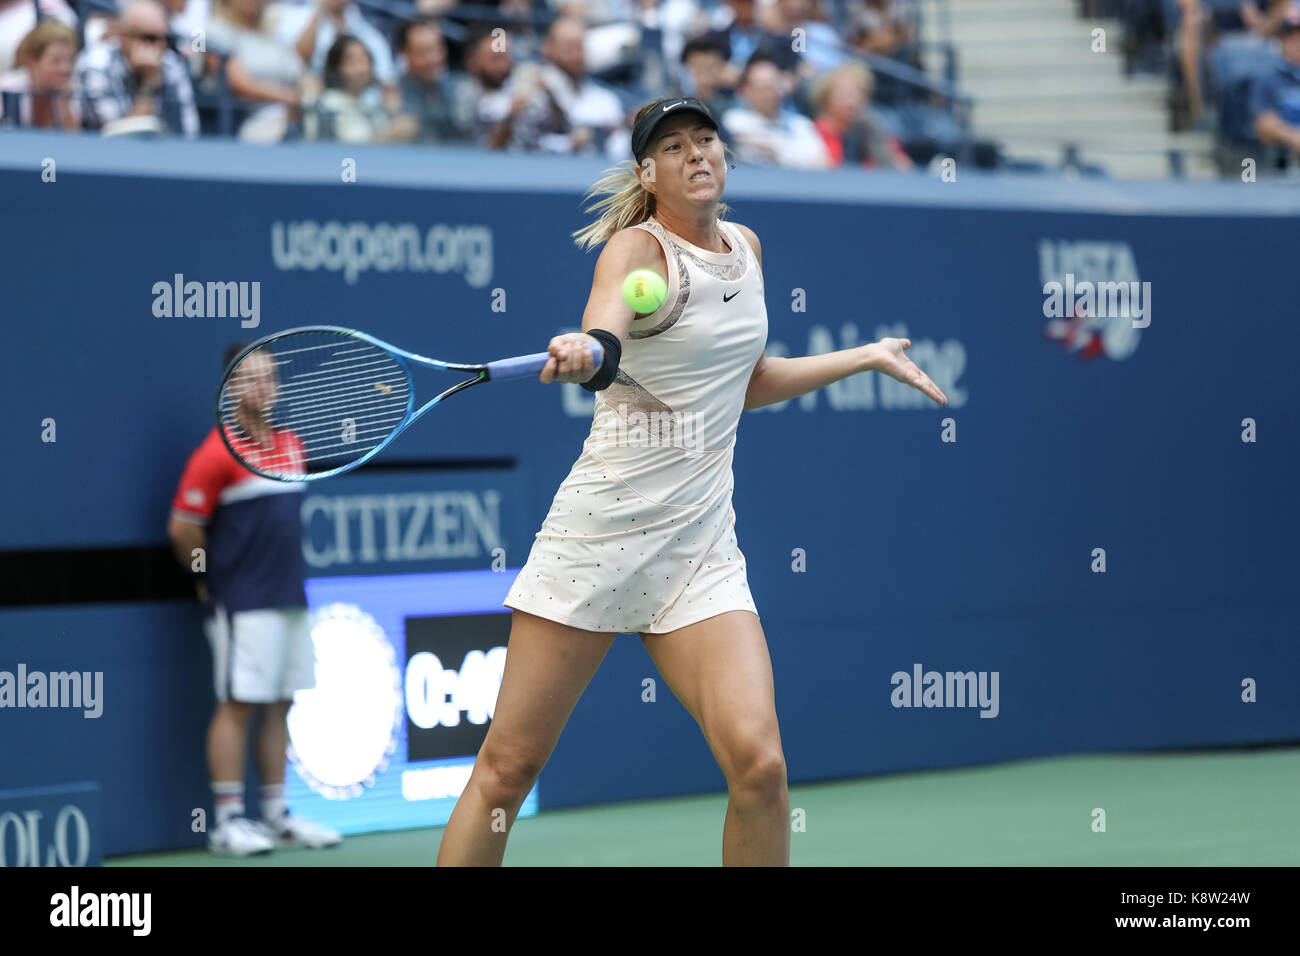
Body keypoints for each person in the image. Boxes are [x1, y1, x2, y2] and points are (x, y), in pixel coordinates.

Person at [435, 95, 946, 867]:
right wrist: (589, 352)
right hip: (601, 534)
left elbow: (743, 379)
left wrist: (864, 355)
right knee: (507, 771)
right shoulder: (633, 253)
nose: (696, 153)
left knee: (761, 768)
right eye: (673, 147)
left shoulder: (746, 247)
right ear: (648, 172)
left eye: (705, 138)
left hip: (701, 548)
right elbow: (606, 335)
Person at [168, 343, 343, 856]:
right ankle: (226, 823)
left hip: (290, 596)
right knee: (238, 705)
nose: (264, 388)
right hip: (241, 603)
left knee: (281, 704)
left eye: (270, 378)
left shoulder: (291, 446)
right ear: (230, 389)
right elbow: (182, 528)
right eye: (251, 379)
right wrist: (210, 579)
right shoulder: (215, 453)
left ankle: (274, 814)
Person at [76, 0, 199, 137]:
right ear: (123, 38)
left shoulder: (171, 64)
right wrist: (150, 83)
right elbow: (120, 142)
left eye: (167, 40)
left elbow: (189, 132)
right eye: (150, 39)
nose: (160, 46)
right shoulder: (97, 64)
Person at [721, 52, 830, 168]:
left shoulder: (801, 125)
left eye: (772, 85)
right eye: (761, 87)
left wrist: (778, 152)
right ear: (746, 90)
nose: (768, 93)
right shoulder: (732, 121)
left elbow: (823, 162)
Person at [811, 60, 913, 171]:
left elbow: (903, 166)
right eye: (845, 95)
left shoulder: (871, 127)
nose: (853, 101)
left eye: (859, 93)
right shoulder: (814, 133)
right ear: (827, 97)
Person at [0, 19, 81, 129]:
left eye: (71, 60)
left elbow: (74, 140)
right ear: (32, 61)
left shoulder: (72, 89)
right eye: (56, 61)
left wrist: (65, 104)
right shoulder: (7, 88)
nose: (65, 69)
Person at [1252, 10, 1300, 156]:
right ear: (1282, 43)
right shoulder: (1269, 79)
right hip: (1287, 156)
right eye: (1293, 39)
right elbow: (1264, 124)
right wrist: (1293, 137)